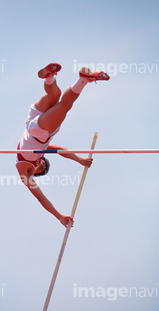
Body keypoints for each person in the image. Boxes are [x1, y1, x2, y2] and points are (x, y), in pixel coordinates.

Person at [16, 63, 110, 227]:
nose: (43, 163)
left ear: (38, 171)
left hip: (38, 132)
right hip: (33, 122)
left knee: (64, 106)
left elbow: (40, 197)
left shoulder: (26, 171)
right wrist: (80, 160)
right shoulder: (40, 152)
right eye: (44, 164)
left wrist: (59, 217)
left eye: (43, 166)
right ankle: (49, 76)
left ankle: (83, 79)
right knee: (55, 94)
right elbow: (61, 150)